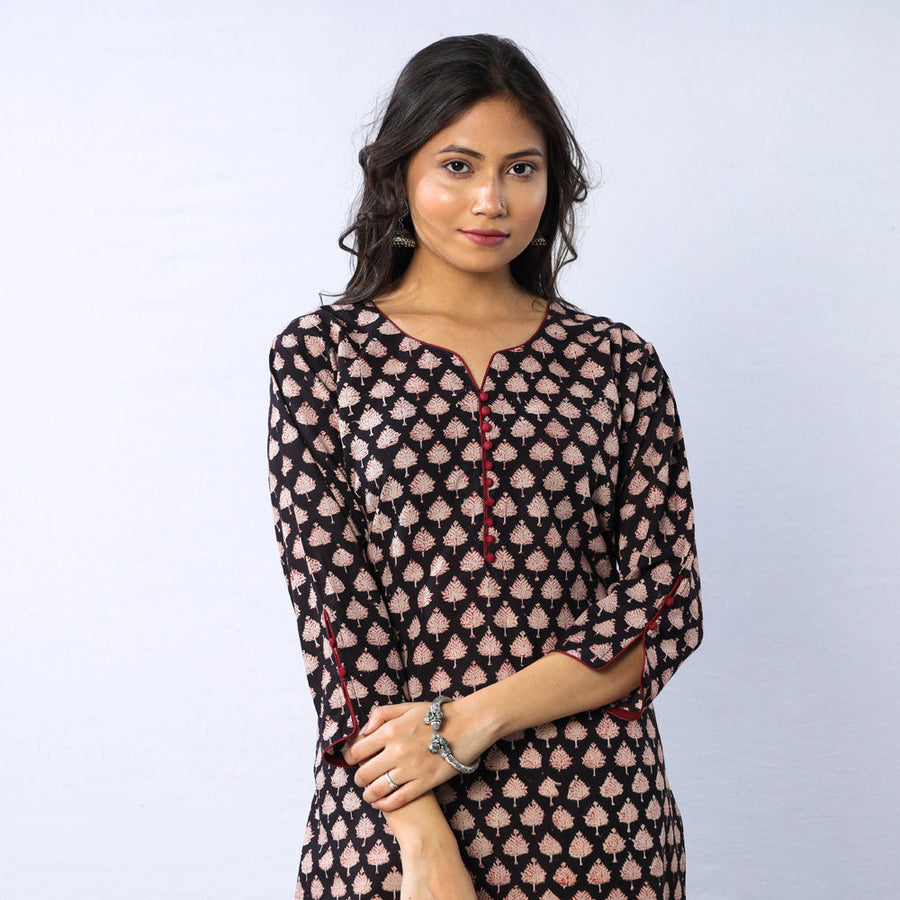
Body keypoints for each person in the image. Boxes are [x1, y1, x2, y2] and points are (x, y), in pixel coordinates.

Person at [268, 33, 703, 900]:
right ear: (399, 172)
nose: (491, 200)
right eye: (459, 165)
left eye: (521, 170)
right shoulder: (323, 357)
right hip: (394, 822)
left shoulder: (617, 363)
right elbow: (337, 621)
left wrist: (467, 723)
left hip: (603, 821)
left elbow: (663, 608)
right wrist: (423, 842)